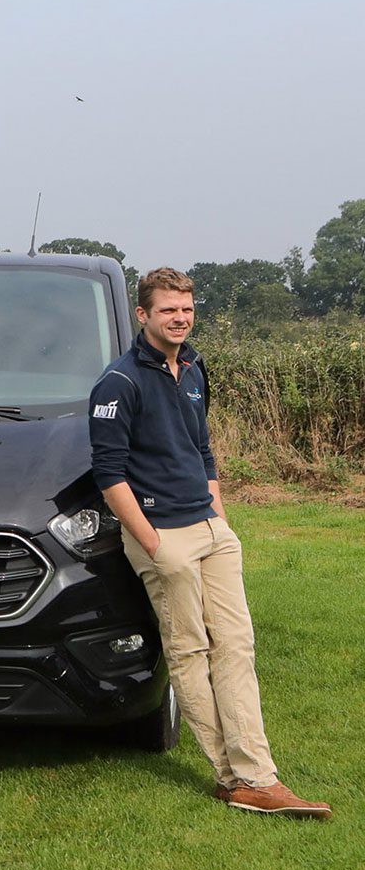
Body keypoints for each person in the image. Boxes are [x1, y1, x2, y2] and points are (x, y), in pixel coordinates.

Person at [88, 267, 330, 818]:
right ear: (143, 315)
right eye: (169, 309)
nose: (180, 318)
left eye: (187, 309)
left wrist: (220, 519)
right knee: (190, 651)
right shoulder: (119, 382)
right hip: (163, 537)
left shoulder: (194, 367)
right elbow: (109, 473)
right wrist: (150, 542)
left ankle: (255, 773)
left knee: (237, 647)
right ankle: (235, 777)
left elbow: (203, 451)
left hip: (210, 529)